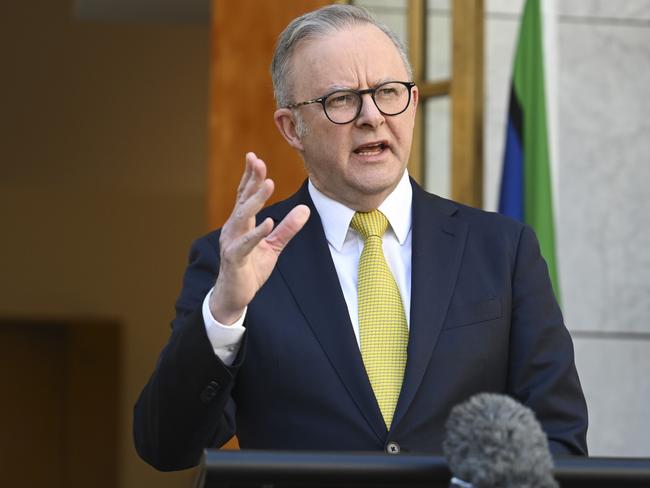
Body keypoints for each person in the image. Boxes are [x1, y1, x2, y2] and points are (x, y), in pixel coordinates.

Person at [133, 5, 588, 472]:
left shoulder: (502, 251)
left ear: (411, 103)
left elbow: (560, 439)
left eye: (389, 92)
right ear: (293, 128)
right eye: (343, 99)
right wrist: (225, 313)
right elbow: (165, 447)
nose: (372, 116)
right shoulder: (236, 260)